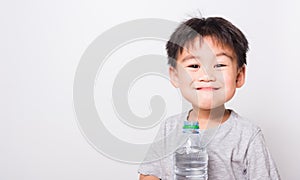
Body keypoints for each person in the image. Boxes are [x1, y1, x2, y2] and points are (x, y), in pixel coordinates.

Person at [138, 16, 281, 180]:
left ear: (239, 76)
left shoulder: (247, 135)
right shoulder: (169, 128)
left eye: (219, 65)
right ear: (175, 76)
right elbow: (149, 176)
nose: (206, 75)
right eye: (194, 66)